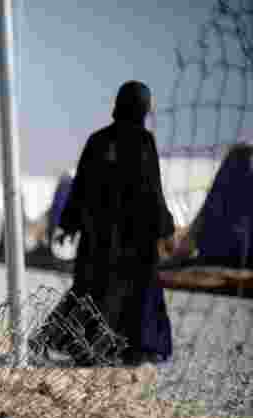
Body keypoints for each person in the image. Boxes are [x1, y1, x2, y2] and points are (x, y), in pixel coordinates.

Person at [34, 80, 176, 366]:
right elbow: (152, 190)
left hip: (98, 237)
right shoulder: (143, 141)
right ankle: (134, 349)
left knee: (90, 289)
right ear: (144, 108)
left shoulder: (97, 140)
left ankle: (66, 341)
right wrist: (166, 228)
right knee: (135, 292)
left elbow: (80, 188)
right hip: (134, 240)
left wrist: (69, 224)